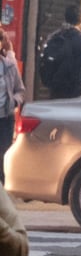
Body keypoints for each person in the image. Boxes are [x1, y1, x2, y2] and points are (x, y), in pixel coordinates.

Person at [35, 5, 81, 99]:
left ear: (65, 18)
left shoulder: (53, 37)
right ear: (80, 19)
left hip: (56, 93)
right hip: (76, 94)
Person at [0, 30, 22, 186]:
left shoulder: (9, 66)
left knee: (4, 153)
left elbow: (20, 90)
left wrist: (14, 101)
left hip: (5, 117)